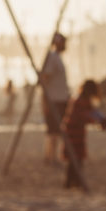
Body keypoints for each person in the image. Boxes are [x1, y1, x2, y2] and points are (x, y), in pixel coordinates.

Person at [61, 80, 106, 189]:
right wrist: (99, 120)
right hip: (73, 131)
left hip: (73, 130)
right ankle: (72, 182)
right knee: (76, 157)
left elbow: (92, 112)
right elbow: (85, 115)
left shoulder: (80, 99)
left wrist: (101, 119)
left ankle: (73, 181)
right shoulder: (81, 101)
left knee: (75, 158)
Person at [40, 32, 70, 164]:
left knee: (56, 130)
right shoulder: (52, 58)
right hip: (54, 99)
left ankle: (52, 155)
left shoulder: (57, 57)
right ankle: (50, 156)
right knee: (53, 129)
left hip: (60, 98)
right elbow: (45, 78)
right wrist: (45, 99)